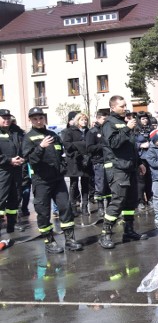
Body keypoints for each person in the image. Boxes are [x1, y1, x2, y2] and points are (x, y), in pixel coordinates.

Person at [22, 107, 80, 253]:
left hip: (57, 179)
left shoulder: (53, 135)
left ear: (44, 118)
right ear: (31, 120)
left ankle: (70, 239)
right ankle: (49, 241)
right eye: (35, 119)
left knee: (65, 208)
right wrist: (41, 147)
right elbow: (31, 160)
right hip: (41, 181)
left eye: (40, 118)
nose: (38, 121)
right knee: (43, 212)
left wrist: (63, 166)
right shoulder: (28, 138)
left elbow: (61, 153)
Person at [99, 95, 148, 249]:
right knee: (118, 199)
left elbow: (131, 147)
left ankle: (129, 230)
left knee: (131, 200)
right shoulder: (109, 124)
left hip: (130, 166)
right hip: (117, 168)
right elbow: (114, 143)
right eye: (121, 105)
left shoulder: (123, 123)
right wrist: (127, 129)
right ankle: (105, 233)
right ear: (112, 107)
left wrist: (139, 162)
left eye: (125, 105)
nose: (125, 108)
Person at [0, 108, 26, 233]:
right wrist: (9, 160)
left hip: (16, 169)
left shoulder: (16, 131)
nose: (7, 120)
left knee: (15, 197)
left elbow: (25, 146)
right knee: (0, 198)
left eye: (8, 118)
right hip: (2, 170)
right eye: (4, 118)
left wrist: (23, 159)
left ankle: (12, 224)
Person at [62, 112, 91, 216]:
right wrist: (81, 146)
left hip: (86, 160)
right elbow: (67, 145)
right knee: (73, 184)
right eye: (82, 120)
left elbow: (92, 144)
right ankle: (73, 207)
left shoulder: (89, 131)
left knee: (85, 184)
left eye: (86, 120)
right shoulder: (70, 131)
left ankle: (84, 207)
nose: (84, 122)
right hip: (74, 160)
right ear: (77, 121)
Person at [85, 108, 111, 219]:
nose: (105, 121)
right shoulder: (92, 132)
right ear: (98, 118)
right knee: (100, 185)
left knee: (109, 185)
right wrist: (103, 146)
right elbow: (89, 148)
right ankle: (100, 207)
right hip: (98, 161)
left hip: (109, 161)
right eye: (104, 119)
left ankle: (110, 207)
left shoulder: (107, 129)